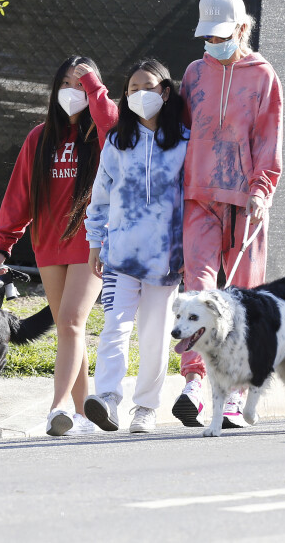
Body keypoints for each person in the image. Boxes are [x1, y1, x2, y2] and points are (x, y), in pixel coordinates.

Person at [0, 56, 118, 436]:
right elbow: (19, 195)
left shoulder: (103, 134)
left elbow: (111, 121)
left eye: (80, 84)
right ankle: (82, 415)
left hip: (91, 242)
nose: (72, 91)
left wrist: (93, 87)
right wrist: (3, 244)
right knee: (67, 329)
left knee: (73, 320)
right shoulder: (39, 137)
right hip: (47, 243)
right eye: (66, 83)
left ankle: (57, 405)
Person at [172, 0, 283, 429]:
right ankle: (196, 384)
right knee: (199, 292)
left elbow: (269, 138)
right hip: (198, 196)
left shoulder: (263, 75)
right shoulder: (194, 72)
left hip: (245, 203)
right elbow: (180, 133)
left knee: (239, 300)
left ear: (241, 28)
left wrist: (261, 189)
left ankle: (234, 395)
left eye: (222, 35)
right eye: (208, 36)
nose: (213, 43)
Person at [83, 59, 188, 433]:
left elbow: (193, 203)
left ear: (165, 91)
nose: (139, 94)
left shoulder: (186, 143)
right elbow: (100, 197)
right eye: (131, 89)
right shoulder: (116, 142)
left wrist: (190, 255)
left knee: (155, 335)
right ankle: (107, 398)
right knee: (115, 325)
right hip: (120, 256)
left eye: (147, 87)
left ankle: (145, 408)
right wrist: (96, 242)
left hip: (167, 260)